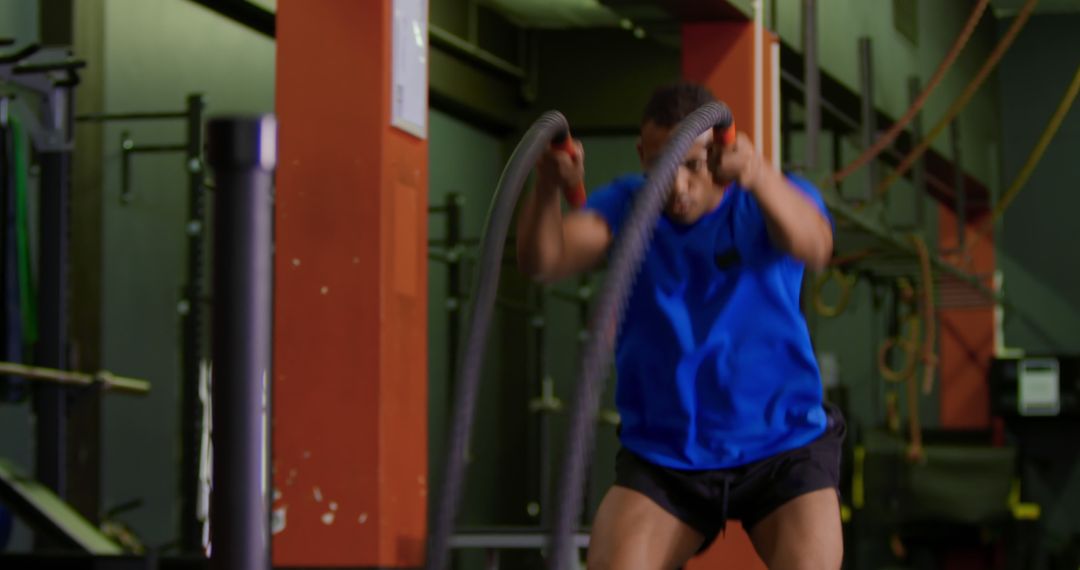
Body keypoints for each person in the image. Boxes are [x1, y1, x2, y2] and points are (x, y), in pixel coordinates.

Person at [515, 82, 845, 570]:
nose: (677, 187)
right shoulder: (630, 207)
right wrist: (546, 186)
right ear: (642, 155)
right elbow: (544, 261)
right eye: (661, 167)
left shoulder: (764, 200)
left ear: (719, 155)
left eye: (692, 166)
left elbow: (816, 246)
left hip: (781, 444)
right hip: (667, 453)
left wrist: (755, 173)